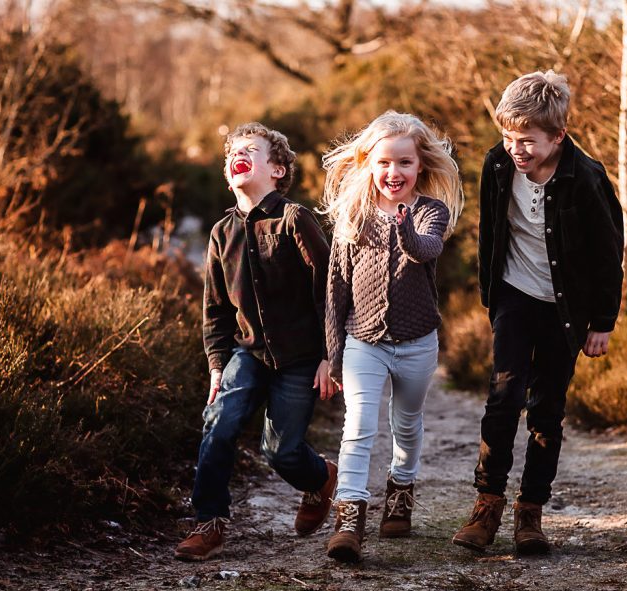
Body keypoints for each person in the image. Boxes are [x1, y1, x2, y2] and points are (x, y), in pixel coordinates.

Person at [452, 71, 624, 555]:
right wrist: (491, 296)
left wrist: (602, 323)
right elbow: (490, 232)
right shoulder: (496, 166)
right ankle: (486, 507)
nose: (516, 149)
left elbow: (609, 254)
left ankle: (530, 514)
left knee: (546, 411)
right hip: (514, 295)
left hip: (566, 310)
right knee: (503, 396)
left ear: (558, 137)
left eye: (527, 141)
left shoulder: (586, 178)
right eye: (508, 137)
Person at [174, 122, 339, 561]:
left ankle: (320, 478)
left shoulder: (294, 220)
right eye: (232, 153)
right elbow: (215, 310)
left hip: (301, 357)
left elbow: (328, 289)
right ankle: (208, 523)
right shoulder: (220, 234)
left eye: (251, 149)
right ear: (228, 174)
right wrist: (215, 365)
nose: (237, 155)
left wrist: (329, 356)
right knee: (219, 423)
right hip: (246, 354)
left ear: (278, 170)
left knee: (279, 451)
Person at [322, 111, 464, 563]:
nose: (393, 173)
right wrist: (331, 353)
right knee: (359, 426)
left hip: (418, 342)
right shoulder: (353, 215)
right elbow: (335, 288)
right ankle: (349, 517)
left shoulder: (429, 212)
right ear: (368, 163)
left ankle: (401, 489)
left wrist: (403, 225)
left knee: (406, 424)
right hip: (364, 341)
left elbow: (426, 249)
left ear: (420, 165)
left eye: (404, 163)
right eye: (383, 163)